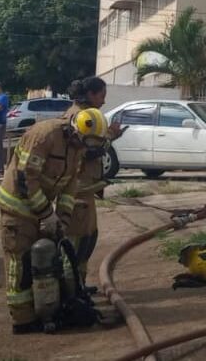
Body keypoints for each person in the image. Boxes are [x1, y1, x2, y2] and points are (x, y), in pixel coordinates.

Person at [0, 108, 104, 333]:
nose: (84, 149)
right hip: (17, 208)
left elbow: (69, 186)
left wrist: (62, 220)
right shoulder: (44, 136)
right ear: (75, 131)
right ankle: (22, 321)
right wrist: (47, 213)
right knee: (20, 263)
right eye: (84, 143)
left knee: (43, 260)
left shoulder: (76, 147)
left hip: (40, 208)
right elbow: (26, 179)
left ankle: (44, 312)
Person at [63, 77, 124, 289]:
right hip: (78, 189)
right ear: (90, 95)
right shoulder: (81, 117)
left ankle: (78, 283)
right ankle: (71, 287)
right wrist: (110, 136)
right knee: (79, 240)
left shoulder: (83, 115)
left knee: (88, 237)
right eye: (101, 96)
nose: (104, 101)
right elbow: (88, 151)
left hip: (85, 188)